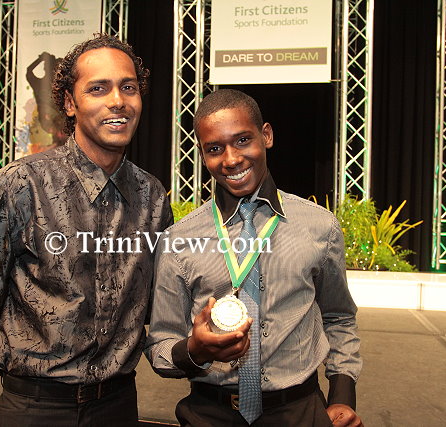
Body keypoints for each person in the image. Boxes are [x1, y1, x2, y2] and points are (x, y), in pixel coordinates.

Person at [0, 34, 173, 426]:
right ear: (70, 103)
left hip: (117, 407)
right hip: (35, 408)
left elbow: (157, 299)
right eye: (98, 88)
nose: (118, 101)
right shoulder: (19, 185)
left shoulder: (152, 196)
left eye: (128, 87)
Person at [145, 89, 363, 426]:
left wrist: (343, 396)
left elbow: (339, 317)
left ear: (267, 136)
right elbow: (161, 345)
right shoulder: (179, 239)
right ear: (202, 155)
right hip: (209, 415)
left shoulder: (320, 226)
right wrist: (196, 351)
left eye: (243, 140)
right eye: (214, 149)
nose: (231, 159)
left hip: (300, 413)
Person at [26, 52, 67, 147]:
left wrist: (41, 59)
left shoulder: (60, 86)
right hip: (52, 120)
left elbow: (29, 71)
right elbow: (29, 71)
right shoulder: (39, 84)